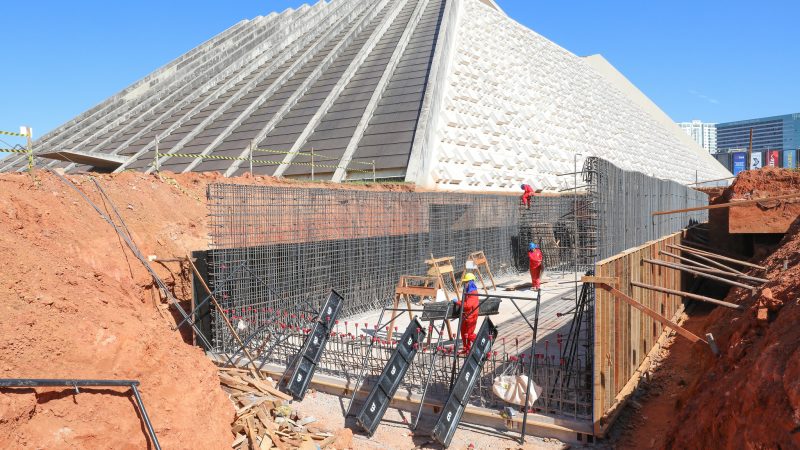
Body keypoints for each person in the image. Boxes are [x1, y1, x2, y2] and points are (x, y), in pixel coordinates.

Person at [453, 273, 480, 353]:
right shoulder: (468, 292)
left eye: (467, 282)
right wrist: (458, 301)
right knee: (464, 333)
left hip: (471, 317)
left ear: (471, 282)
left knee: (469, 334)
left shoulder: (473, 293)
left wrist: (457, 303)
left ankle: (479, 343)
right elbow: (465, 302)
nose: (465, 284)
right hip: (465, 316)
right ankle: (466, 349)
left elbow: (467, 305)